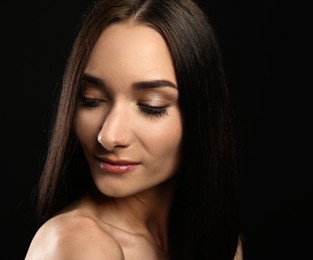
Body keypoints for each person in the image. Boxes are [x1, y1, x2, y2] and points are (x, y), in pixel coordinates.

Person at [25, 0, 242, 259]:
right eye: (91, 99)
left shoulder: (219, 241)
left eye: (151, 106)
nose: (108, 136)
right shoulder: (78, 244)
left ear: (201, 115)